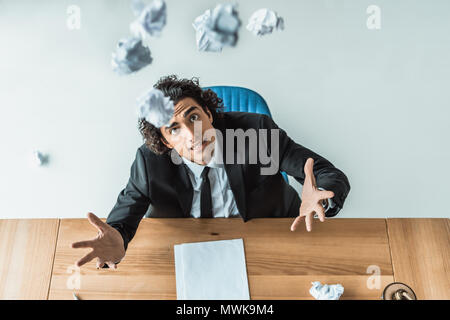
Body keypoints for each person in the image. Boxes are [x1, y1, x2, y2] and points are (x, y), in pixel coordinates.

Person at [71, 75, 351, 269]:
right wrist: (118, 240)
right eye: (174, 128)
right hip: (189, 245)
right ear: (166, 141)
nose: (192, 134)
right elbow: (126, 213)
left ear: (208, 112)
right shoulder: (149, 161)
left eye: (193, 117)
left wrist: (321, 198)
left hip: (269, 236)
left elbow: (325, 173)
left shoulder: (256, 133)